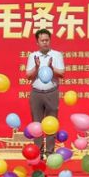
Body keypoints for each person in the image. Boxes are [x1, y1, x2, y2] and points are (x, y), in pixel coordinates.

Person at [25, 29, 65, 159]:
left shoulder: (57, 55)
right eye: (42, 40)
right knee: (37, 124)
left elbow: (62, 74)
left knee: (51, 122)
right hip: (36, 93)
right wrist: (37, 67)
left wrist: (51, 68)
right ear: (37, 42)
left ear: (50, 40)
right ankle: (38, 152)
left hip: (51, 92)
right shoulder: (33, 56)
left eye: (47, 40)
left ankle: (50, 153)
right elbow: (28, 76)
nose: (45, 42)